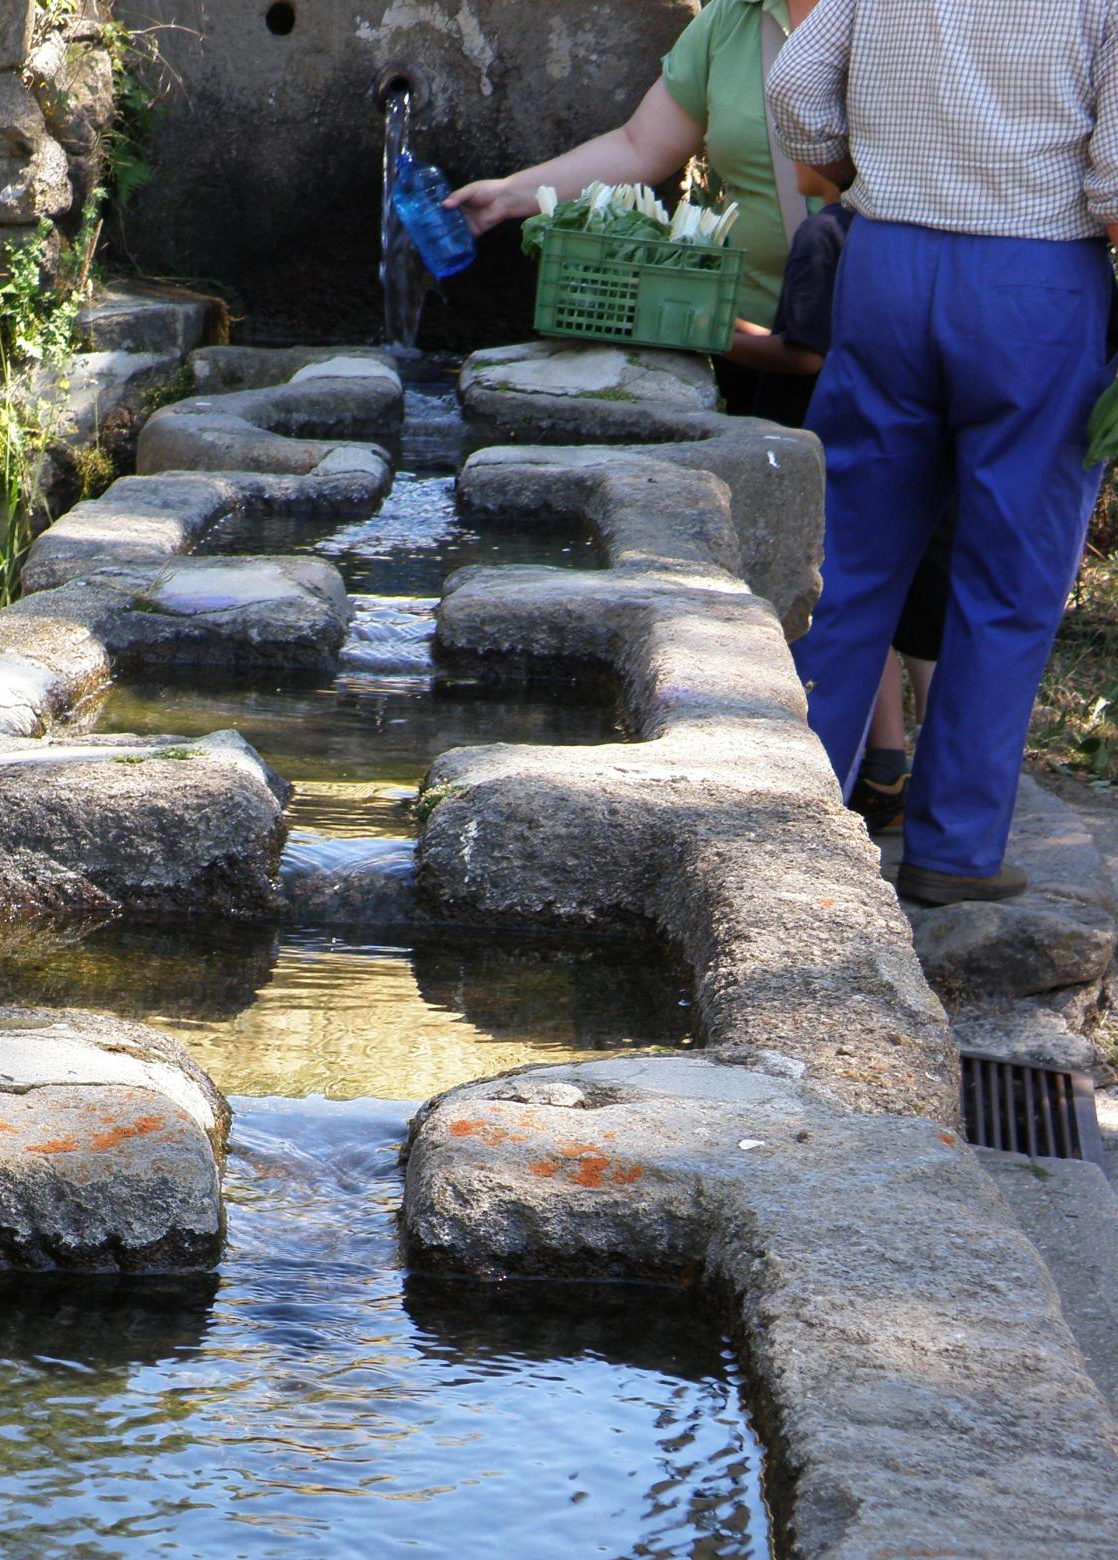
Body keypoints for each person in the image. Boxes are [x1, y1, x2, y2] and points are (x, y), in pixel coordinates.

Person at [767, 0, 1118, 905]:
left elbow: (795, 86)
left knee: (844, 562)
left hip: (886, 266)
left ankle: (785, 831)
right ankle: (954, 850)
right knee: (1008, 580)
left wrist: (870, 176)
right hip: (1037, 286)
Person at [446, 0, 820, 410]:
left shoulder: (874, 24)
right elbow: (639, 146)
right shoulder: (733, 18)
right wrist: (504, 197)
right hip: (744, 338)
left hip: (855, 339)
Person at [726, 178, 946, 832]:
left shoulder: (825, 232)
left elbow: (805, 353)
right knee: (924, 610)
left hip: (833, 445)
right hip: (924, 441)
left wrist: (712, 332)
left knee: (854, 597)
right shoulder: (921, 236)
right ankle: (917, 782)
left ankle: (855, 778)